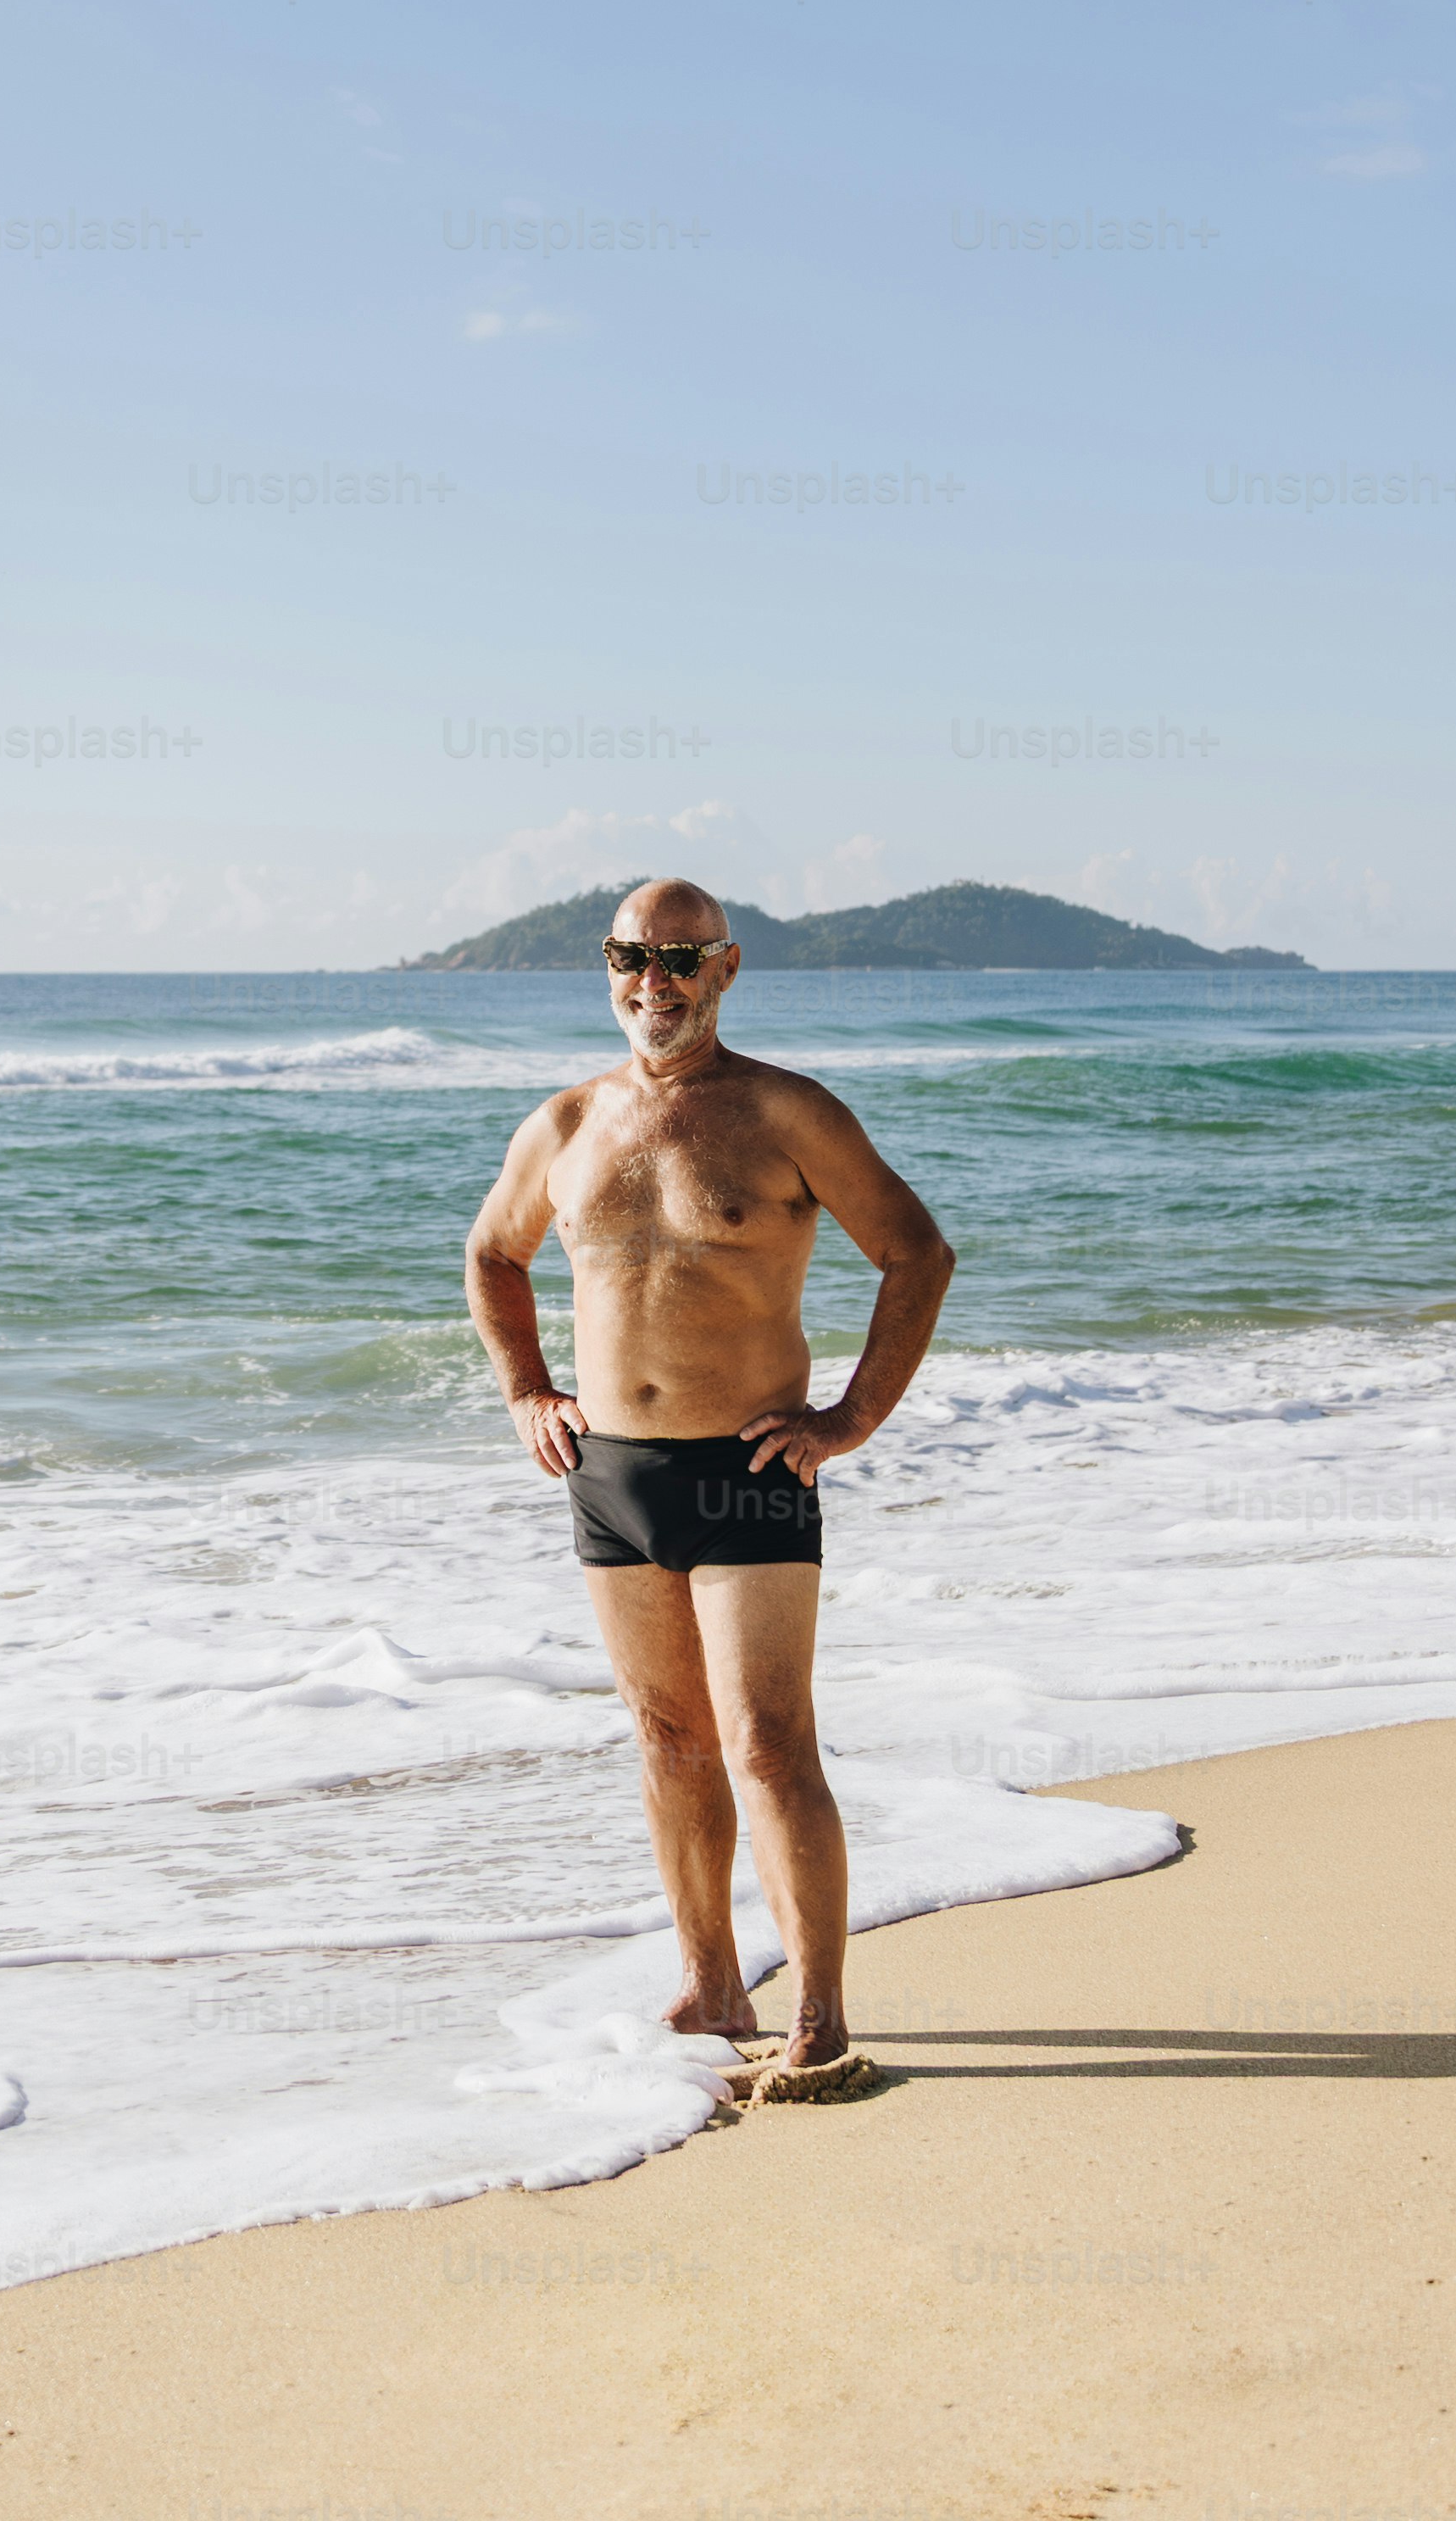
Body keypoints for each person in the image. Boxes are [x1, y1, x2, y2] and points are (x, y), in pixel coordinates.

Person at [464, 877, 955, 2101]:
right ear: (608, 964)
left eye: (680, 958)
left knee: (768, 1744)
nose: (654, 982)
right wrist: (528, 1388)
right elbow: (493, 1252)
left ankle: (824, 2019)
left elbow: (915, 1251)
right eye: (632, 956)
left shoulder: (787, 1111)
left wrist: (851, 1417)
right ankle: (712, 1982)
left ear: (726, 968)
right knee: (671, 1740)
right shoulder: (568, 1123)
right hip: (610, 1476)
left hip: (748, 1470)